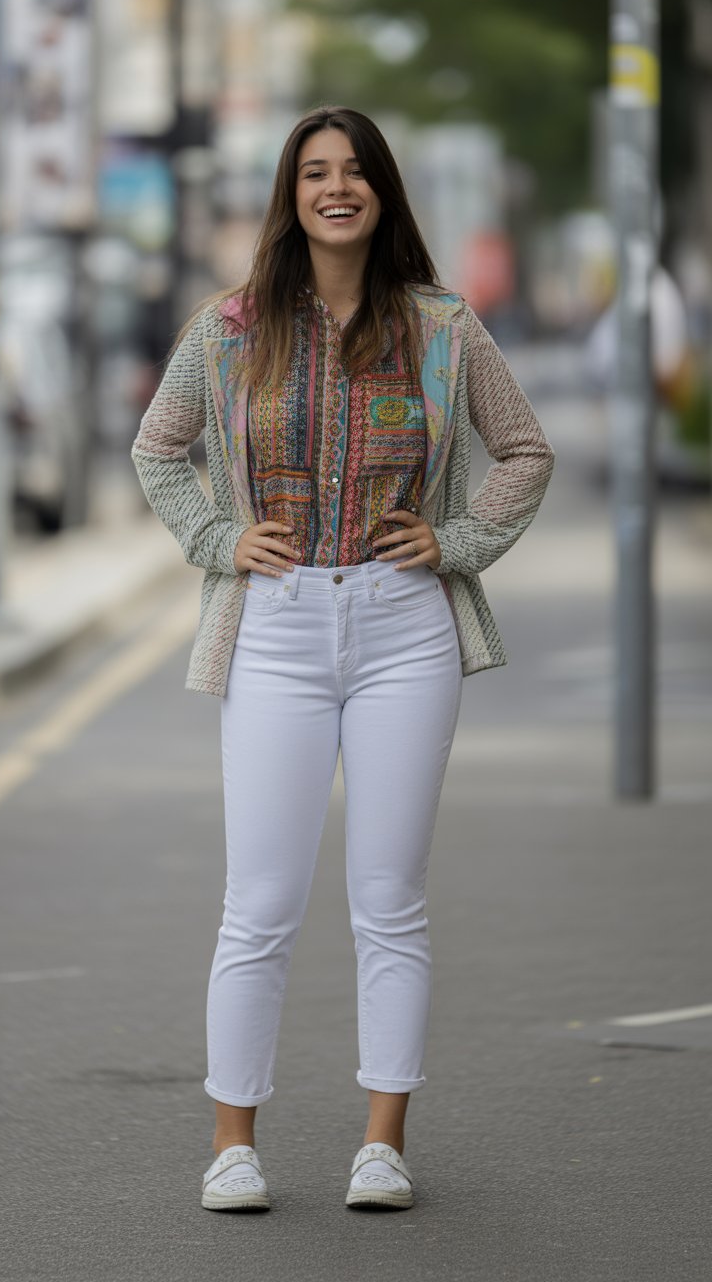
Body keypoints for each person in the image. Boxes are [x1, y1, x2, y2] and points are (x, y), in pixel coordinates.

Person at [131, 106, 554, 1213]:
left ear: (381, 192)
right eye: (315, 171)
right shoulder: (228, 329)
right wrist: (218, 539)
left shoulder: (443, 328)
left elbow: (525, 449)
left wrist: (456, 542)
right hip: (273, 628)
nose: (336, 187)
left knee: (389, 899)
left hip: (404, 626)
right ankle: (233, 1147)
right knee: (259, 901)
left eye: (356, 170)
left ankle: (383, 1146)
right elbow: (158, 447)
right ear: (291, 194)